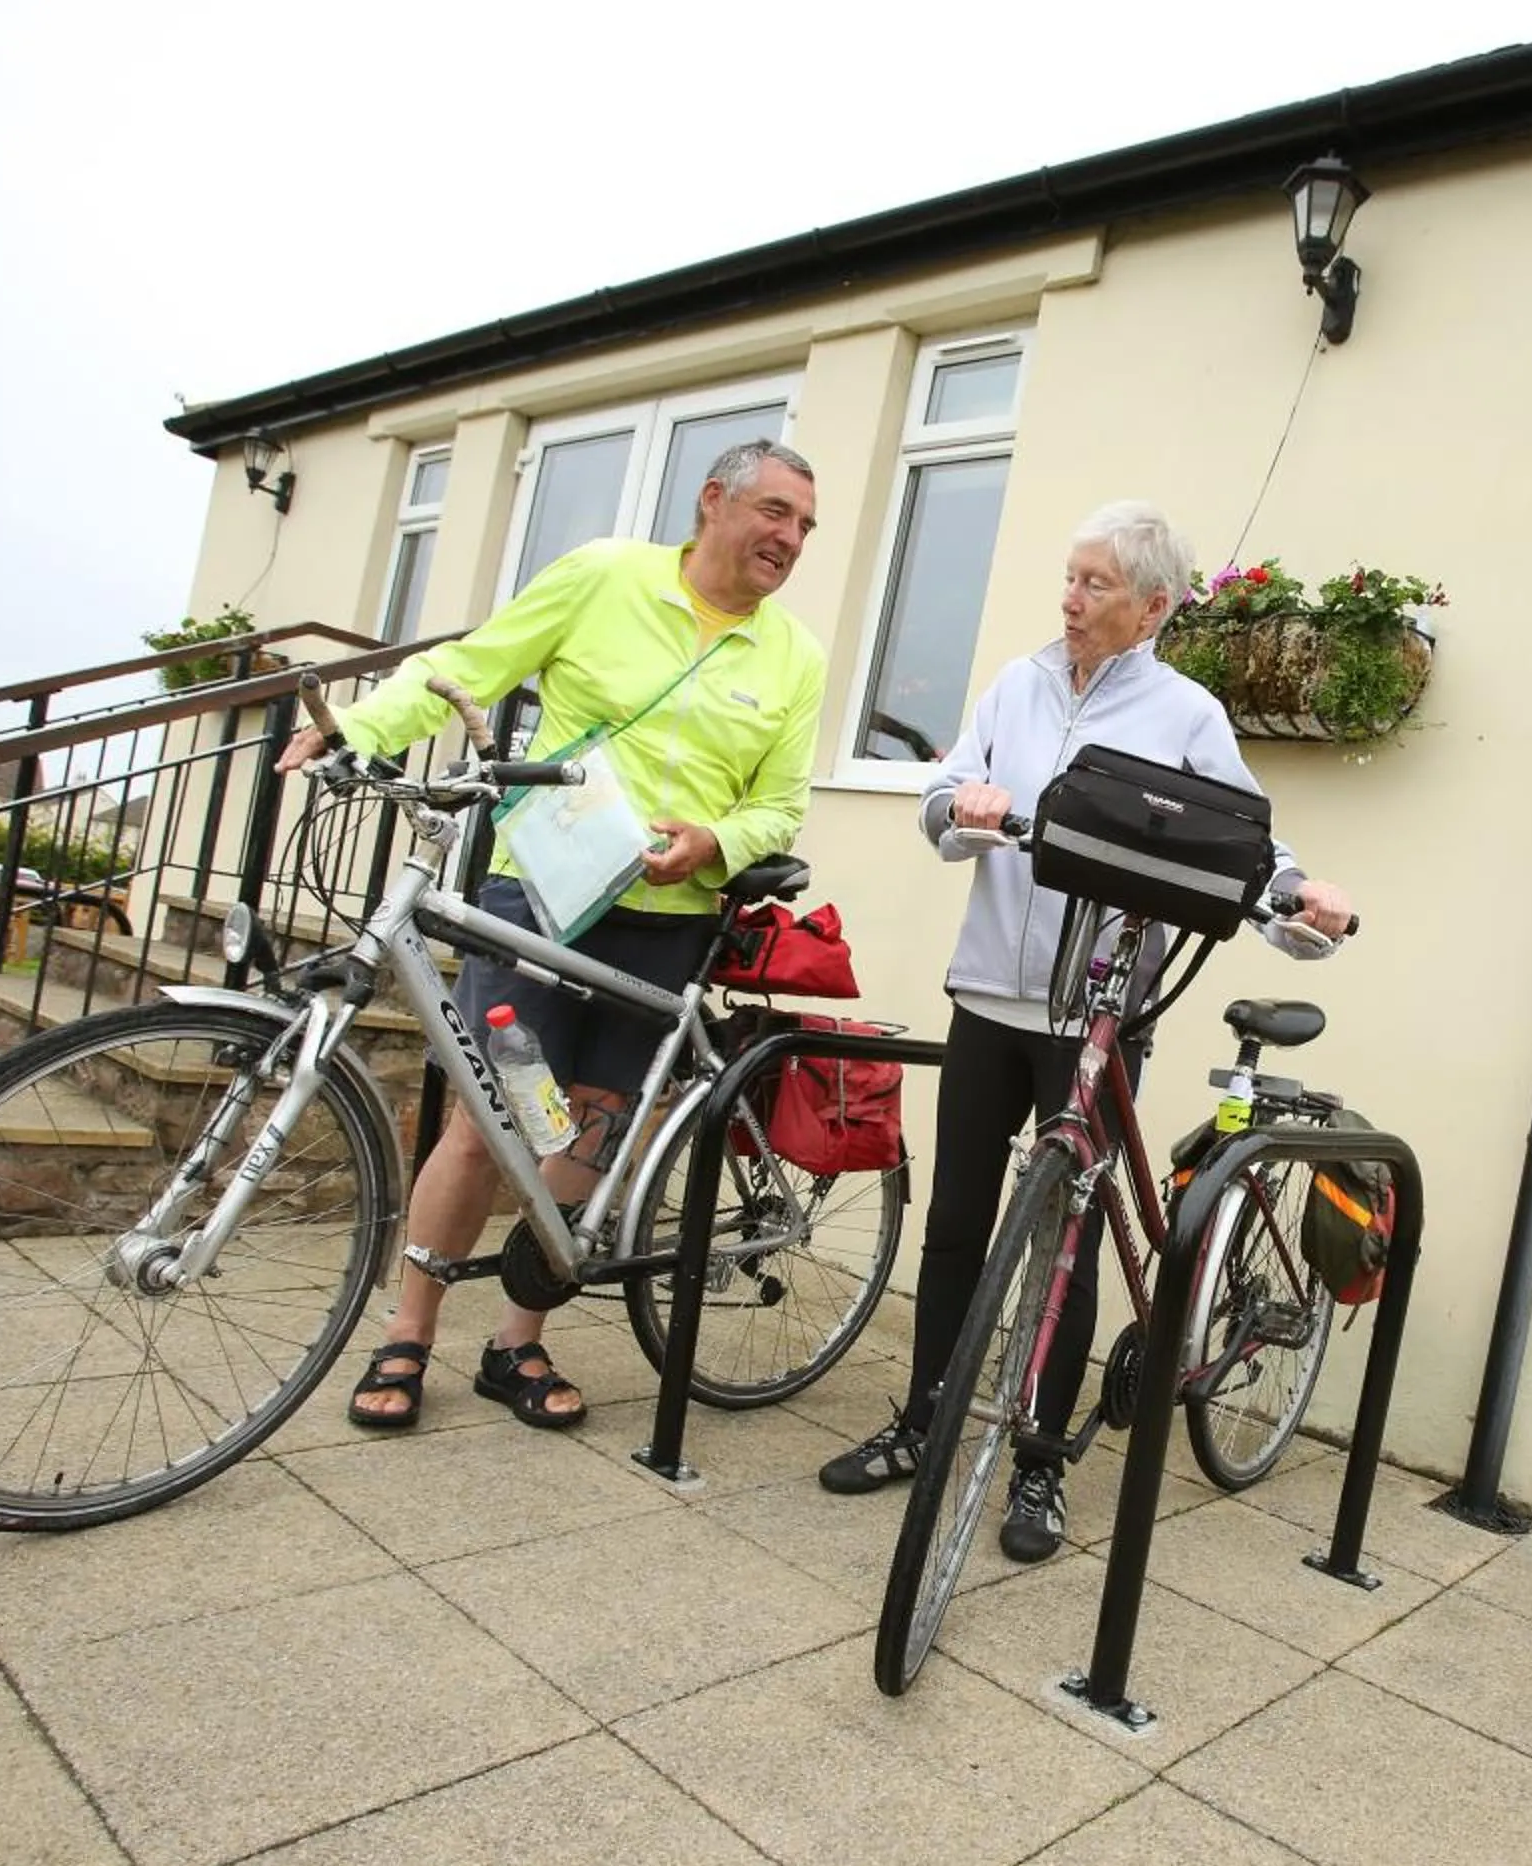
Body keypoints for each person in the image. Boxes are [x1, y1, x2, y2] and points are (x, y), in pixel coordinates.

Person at [816, 500, 1351, 1561]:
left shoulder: (1188, 714)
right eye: (1068, 576)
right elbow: (939, 791)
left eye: (1095, 582)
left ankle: (1042, 1464)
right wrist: (957, 807)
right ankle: (927, 1418)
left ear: (1153, 606)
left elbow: (1250, 848)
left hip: (1099, 1018)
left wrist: (1306, 898)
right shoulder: (1016, 684)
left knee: (1063, 1245)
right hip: (989, 997)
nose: (1069, 598)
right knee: (959, 1224)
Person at [273, 437, 826, 1432]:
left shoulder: (795, 656)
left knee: (590, 1119)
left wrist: (713, 839)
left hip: (666, 924)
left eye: (804, 526)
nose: (790, 539)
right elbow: (464, 670)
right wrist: (362, 729)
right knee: (495, 1113)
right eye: (776, 513)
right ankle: (408, 1328)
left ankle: (517, 1336)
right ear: (714, 501)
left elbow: (780, 807)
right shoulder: (603, 575)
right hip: (543, 896)